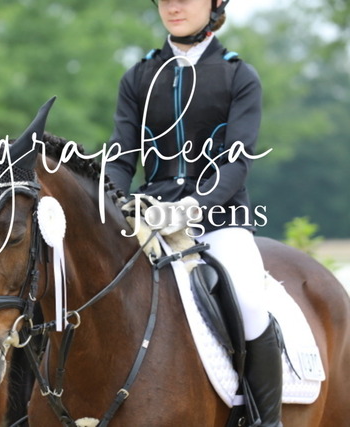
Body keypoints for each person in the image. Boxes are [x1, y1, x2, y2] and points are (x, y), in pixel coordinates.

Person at [106, 1, 282, 426]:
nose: (174, 6)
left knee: (249, 302)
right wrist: (111, 200)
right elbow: (120, 157)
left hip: (219, 219)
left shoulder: (238, 75)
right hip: (150, 216)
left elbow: (237, 162)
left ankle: (266, 420)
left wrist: (195, 206)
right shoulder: (139, 76)